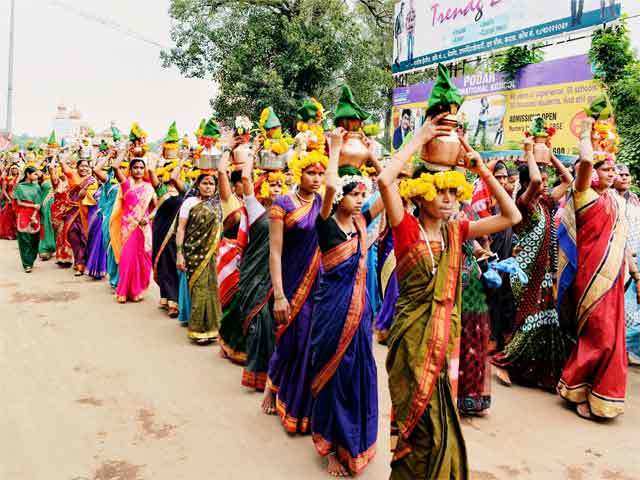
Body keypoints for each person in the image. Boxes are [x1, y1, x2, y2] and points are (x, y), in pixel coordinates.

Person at [378, 113, 521, 480]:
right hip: (411, 342)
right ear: (421, 194)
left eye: (453, 192)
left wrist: (480, 168)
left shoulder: (459, 231)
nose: (447, 199)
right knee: (418, 426)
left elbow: (512, 215)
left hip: (447, 339)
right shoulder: (406, 228)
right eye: (439, 192)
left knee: (442, 423)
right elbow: (383, 178)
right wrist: (420, 136)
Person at [309, 129, 384, 476]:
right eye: (353, 194)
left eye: (361, 194)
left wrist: (372, 158)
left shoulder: (361, 222)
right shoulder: (325, 224)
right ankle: (330, 449)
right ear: (341, 197)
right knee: (333, 376)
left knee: (358, 376)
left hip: (360, 312)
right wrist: (336, 149)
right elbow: (327, 188)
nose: (359, 199)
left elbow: (388, 188)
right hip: (332, 312)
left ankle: (354, 442)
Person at [557, 114, 629, 420]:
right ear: (592, 173)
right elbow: (585, 162)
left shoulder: (616, 200)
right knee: (598, 336)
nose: (611, 173)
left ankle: (602, 394)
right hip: (591, 279)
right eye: (606, 168)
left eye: (614, 168)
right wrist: (586, 135)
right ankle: (577, 387)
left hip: (614, 280)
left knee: (614, 338)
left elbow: (624, 244)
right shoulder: (583, 194)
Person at [492, 139, 573, 390]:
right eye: (542, 180)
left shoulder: (545, 203)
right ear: (526, 184)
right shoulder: (524, 205)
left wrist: (550, 156)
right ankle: (502, 362)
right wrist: (529, 153)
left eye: (548, 181)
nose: (546, 184)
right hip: (525, 273)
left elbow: (568, 180)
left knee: (547, 321)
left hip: (544, 271)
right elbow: (536, 181)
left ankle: (537, 373)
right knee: (528, 320)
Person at [264, 149, 327, 433]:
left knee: (311, 345)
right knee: (290, 340)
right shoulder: (282, 204)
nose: (316, 178)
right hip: (290, 280)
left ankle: (301, 406)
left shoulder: (324, 203)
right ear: (298, 173)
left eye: (320, 173)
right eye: (310, 172)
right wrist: (278, 294)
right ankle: (272, 385)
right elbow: (275, 252)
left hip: (318, 282)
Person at [237, 159, 282, 392]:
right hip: (254, 275)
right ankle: (255, 372)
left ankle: (273, 373)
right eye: (272, 185)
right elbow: (245, 178)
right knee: (258, 323)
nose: (277, 190)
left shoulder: (285, 211)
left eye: (280, 186)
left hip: (275, 276)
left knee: (274, 325)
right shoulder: (256, 208)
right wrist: (252, 154)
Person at [176, 170, 223, 344]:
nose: (208, 187)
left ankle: (213, 328)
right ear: (197, 185)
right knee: (198, 290)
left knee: (211, 288)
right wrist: (179, 253)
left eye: (211, 184)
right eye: (205, 183)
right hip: (192, 251)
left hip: (211, 253)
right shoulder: (190, 202)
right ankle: (198, 330)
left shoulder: (218, 204)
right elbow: (181, 228)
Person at [109, 155, 156, 303]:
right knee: (127, 259)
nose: (138, 170)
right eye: (135, 167)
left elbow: (157, 207)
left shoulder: (149, 188)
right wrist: (124, 150)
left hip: (143, 228)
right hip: (128, 227)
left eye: (141, 167)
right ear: (131, 169)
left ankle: (137, 290)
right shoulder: (126, 184)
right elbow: (115, 167)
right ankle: (122, 291)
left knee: (141, 260)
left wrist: (148, 218)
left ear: (145, 170)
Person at [150, 152, 187, 318]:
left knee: (173, 265)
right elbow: (151, 173)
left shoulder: (184, 191)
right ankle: (166, 297)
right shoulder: (161, 189)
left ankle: (175, 301)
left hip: (177, 234)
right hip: (160, 231)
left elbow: (174, 177)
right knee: (162, 265)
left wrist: (183, 160)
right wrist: (157, 160)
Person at [614, 164, 640, 364]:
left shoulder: (635, 200)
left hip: (635, 257)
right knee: (620, 305)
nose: (624, 177)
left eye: (627, 174)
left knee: (633, 307)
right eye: (620, 174)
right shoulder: (610, 198)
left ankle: (629, 350)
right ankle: (619, 350)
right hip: (617, 258)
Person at [58, 154, 99, 276]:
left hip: (87, 212)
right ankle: (79, 263)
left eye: (87, 166)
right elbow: (62, 162)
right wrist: (71, 152)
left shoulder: (93, 180)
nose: (84, 168)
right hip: (72, 211)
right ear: (77, 167)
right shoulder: (72, 174)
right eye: (82, 166)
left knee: (85, 238)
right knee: (73, 236)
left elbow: (88, 197)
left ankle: (84, 263)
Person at [13, 166, 42, 272]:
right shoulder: (20, 187)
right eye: (34, 174)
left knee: (35, 239)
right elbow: (19, 202)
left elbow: (38, 203)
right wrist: (32, 206)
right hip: (23, 213)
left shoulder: (37, 187)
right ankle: (26, 264)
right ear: (28, 174)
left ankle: (31, 259)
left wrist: (35, 213)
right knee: (24, 239)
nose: (37, 176)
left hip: (35, 214)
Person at [37, 166, 57, 261]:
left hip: (55, 205)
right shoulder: (37, 180)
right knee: (45, 225)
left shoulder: (57, 177)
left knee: (54, 225)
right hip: (44, 206)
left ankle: (53, 247)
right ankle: (44, 249)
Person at [0, 164, 19, 240]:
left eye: (15, 168)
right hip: (10, 199)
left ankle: (17, 233)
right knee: (9, 217)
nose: (14, 169)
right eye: (13, 168)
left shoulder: (20, 179)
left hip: (18, 199)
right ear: (10, 170)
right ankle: (9, 233)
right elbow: (4, 190)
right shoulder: (7, 179)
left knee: (17, 216)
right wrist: (9, 199)